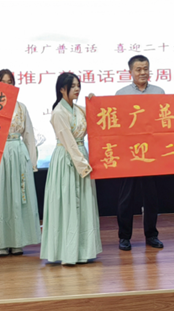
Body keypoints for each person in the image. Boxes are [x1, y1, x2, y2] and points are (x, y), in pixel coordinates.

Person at [40, 72, 102, 265]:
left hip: (80, 155)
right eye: (72, 86)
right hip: (67, 158)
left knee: (82, 202)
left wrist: (95, 104)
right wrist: (83, 165)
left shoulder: (78, 109)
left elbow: (95, 121)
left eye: (78, 85)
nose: (77, 89)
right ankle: (67, 252)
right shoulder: (59, 112)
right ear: (62, 89)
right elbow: (68, 141)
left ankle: (83, 251)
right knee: (67, 203)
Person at [0, 69, 41, 256]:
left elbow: (29, 134)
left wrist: (32, 161)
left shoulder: (21, 107)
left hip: (18, 152)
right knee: (0, 196)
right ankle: (1, 242)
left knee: (18, 197)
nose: (7, 85)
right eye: (3, 82)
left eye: (10, 82)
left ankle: (17, 241)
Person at [116, 55, 165, 251]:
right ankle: (124, 237)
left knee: (151, 198)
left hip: (152, 153)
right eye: (138, 69)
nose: (143, 72)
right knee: (126, 198)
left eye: (146, 68)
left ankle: (152, 235)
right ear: (130, 72)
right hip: (130, 153)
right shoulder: (121, 94)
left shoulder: (159, 92)